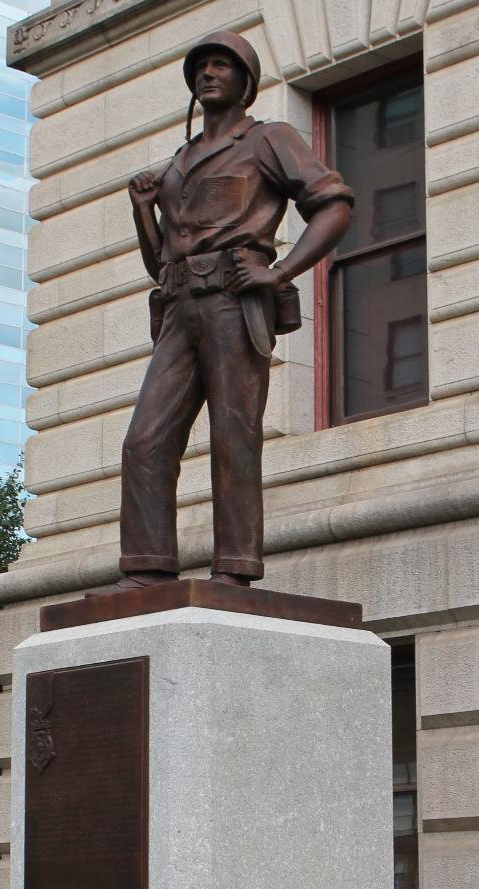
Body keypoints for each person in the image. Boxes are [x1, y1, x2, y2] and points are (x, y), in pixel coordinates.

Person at [113, 31, 353, 589]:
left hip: (231, 300)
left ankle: (236, 568)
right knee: (144, 440)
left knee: (234, 433)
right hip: (177, 306)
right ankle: (147, 568)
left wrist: (280, 271)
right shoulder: (178, 161)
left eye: (222, 65)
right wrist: (143, 211)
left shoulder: (269, 139)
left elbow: (333, 203)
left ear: (245, 80)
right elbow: (159, 261)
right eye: (201, 67)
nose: (209, 74)